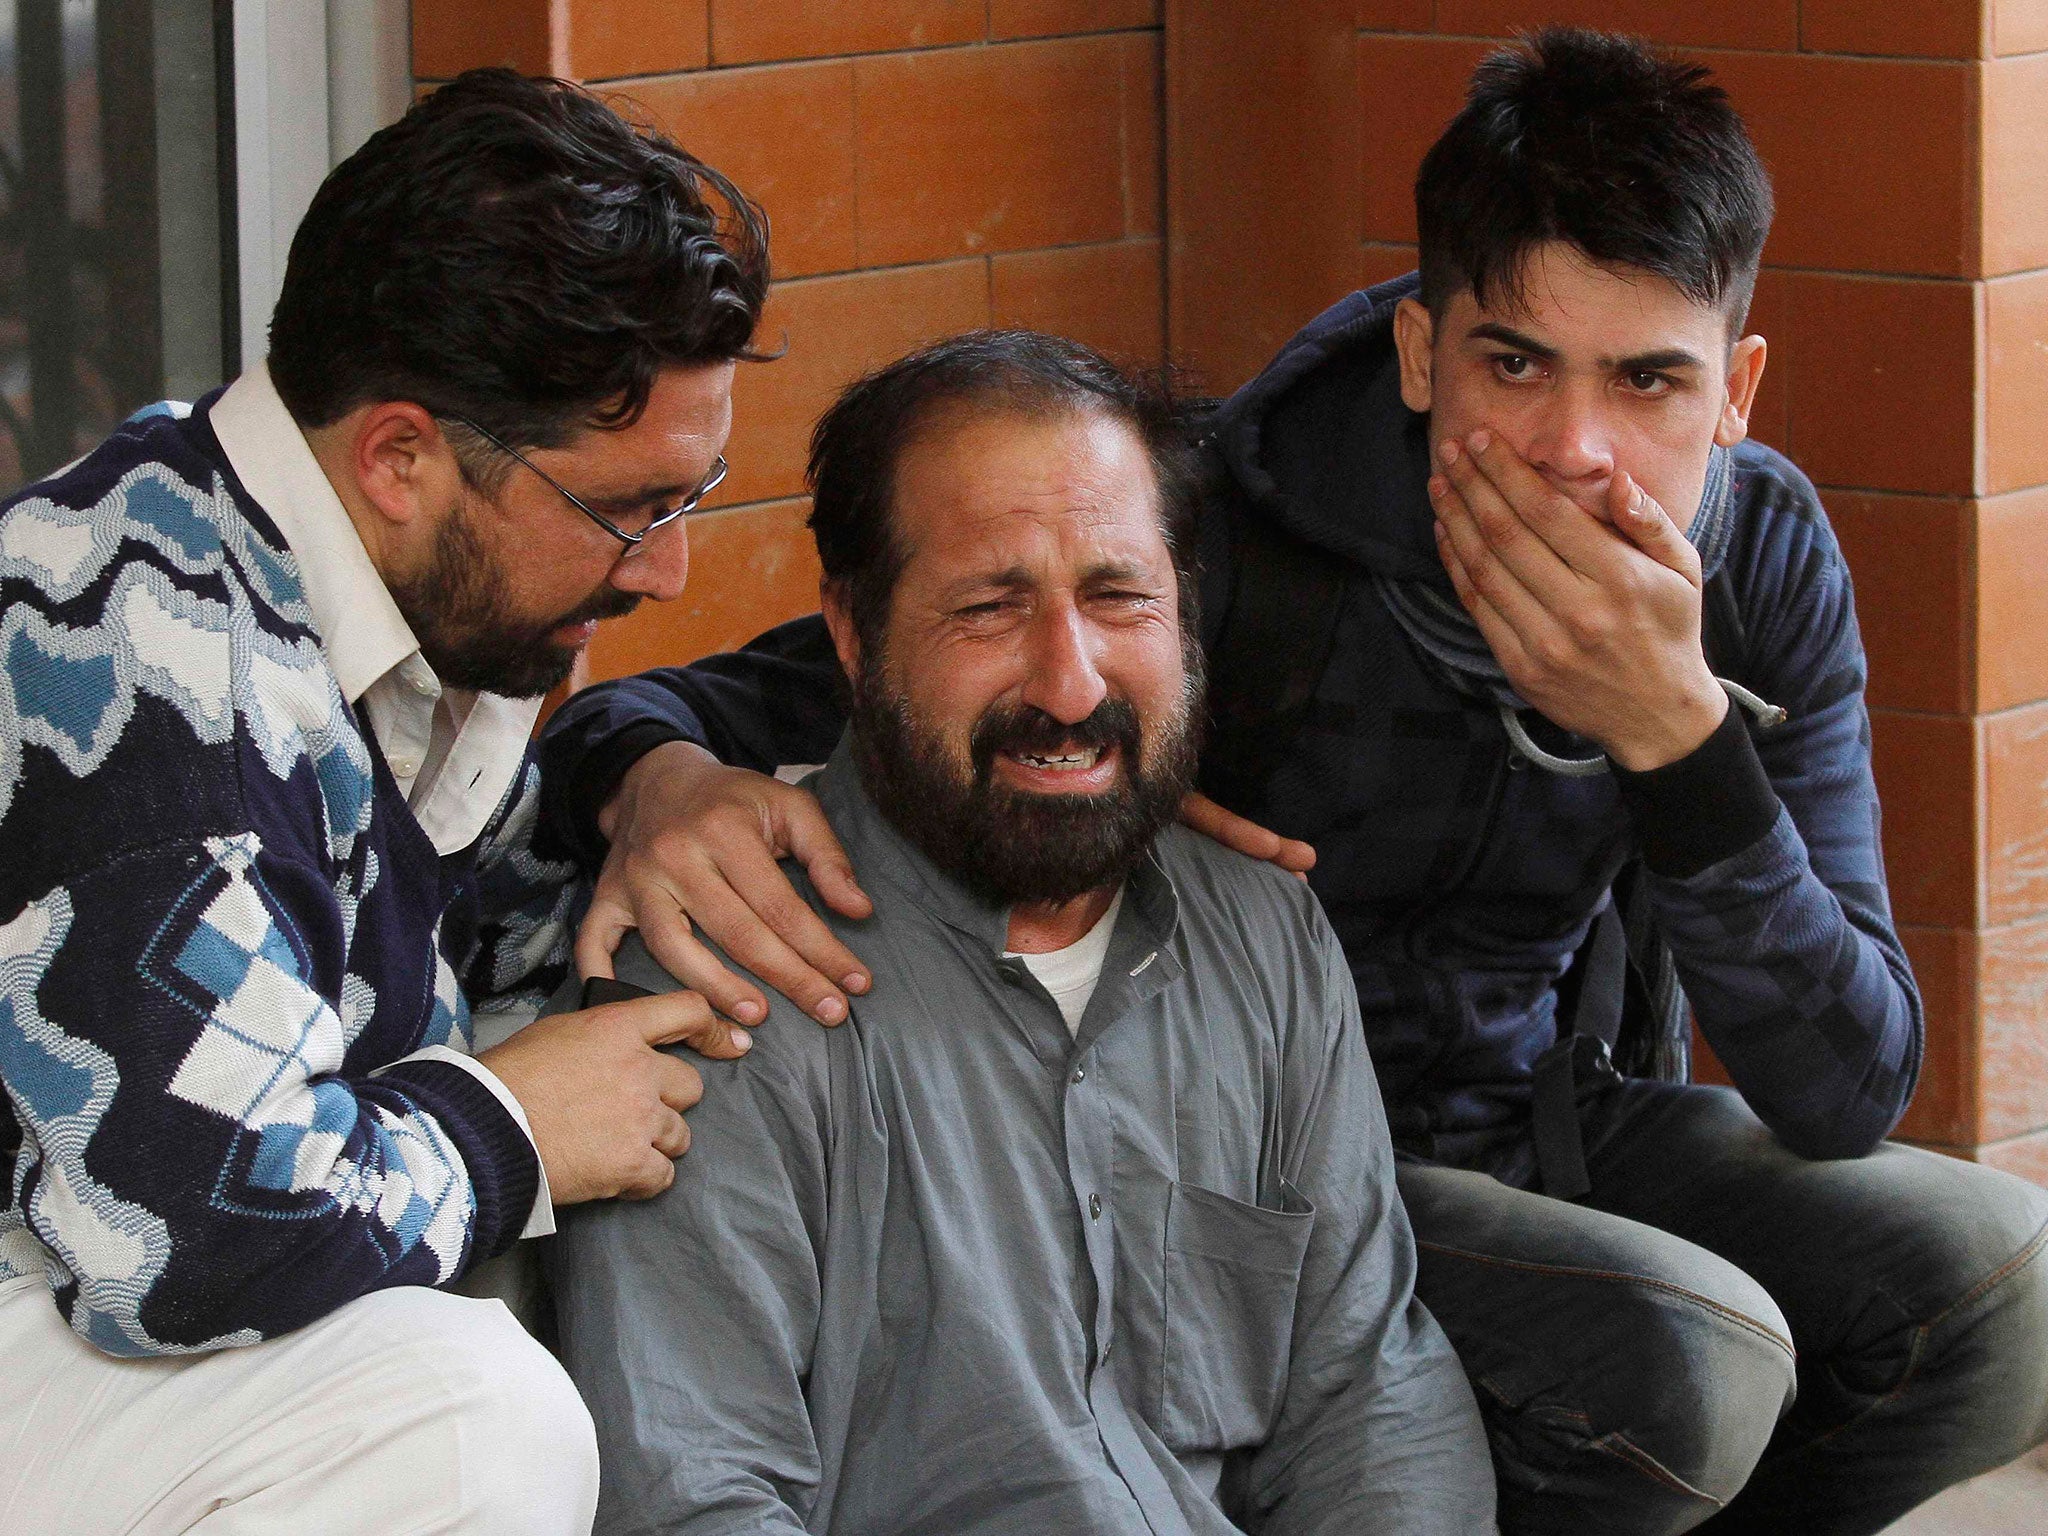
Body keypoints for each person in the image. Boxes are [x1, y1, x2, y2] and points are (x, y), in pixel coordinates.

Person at [541, 29, 2048, 1536]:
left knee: (1996, 1281)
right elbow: (834, 674)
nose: (1576, 455)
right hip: (1262, 1162)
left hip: (1542, 1111)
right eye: (1513, 365)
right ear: (1417, 350)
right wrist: (658, 777)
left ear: (1737, 390)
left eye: (1650, 381)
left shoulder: (1759, 561)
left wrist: (1682, 745)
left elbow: (1848, 1083)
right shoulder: (1218, 531)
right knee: (1690, 1350)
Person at [546, 330, 1496, 1534]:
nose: (1069, 682)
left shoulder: (1263, 933)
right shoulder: (720, 981)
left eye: (1117, 597)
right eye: (988, 608)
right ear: (849, 631)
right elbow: (697, 1498)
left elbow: (1368, 1394)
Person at [0, 69, 764, 1533]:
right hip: (80, 1278)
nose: (669, 570)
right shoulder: (149, 657)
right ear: (399, 457)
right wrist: (508, 1127)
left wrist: (653, 773)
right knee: (468, 1418)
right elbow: (187, 1236)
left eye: (692, 495)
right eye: (630, 510)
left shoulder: (359, 568)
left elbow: (494, 907)